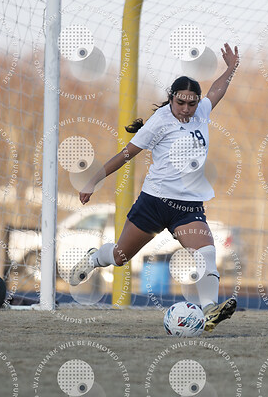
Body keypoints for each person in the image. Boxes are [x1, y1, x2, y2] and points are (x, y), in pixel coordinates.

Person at [71, 43, 239, 332]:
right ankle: (95, 257)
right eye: (181, 103)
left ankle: (210, 310)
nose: (186, 109)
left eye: (192, 103)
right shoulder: (158, 122)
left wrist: (231, 68)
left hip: (187, 207)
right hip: (154, 203)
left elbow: (217, 90)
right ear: (171, 98)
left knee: (207, 253)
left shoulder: (202, 112)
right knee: (120, 257)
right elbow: (125, 155)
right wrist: (93, 180)